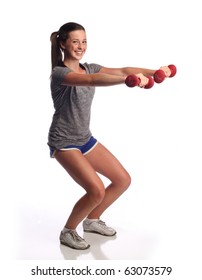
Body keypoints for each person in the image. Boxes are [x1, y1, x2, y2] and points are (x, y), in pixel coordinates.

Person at [48, 22, 171, 250]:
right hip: (63, 141)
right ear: (63, 43)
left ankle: (92, 220)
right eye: (75, 41)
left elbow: (124, 70)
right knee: (96, 190)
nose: (81, 46)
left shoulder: (91, 67)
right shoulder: (60, 73)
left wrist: (157, 72)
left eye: (84, 41)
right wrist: (128, 82)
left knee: (122, 180)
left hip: (84, 138)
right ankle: (68, 231)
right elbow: (92, 81)